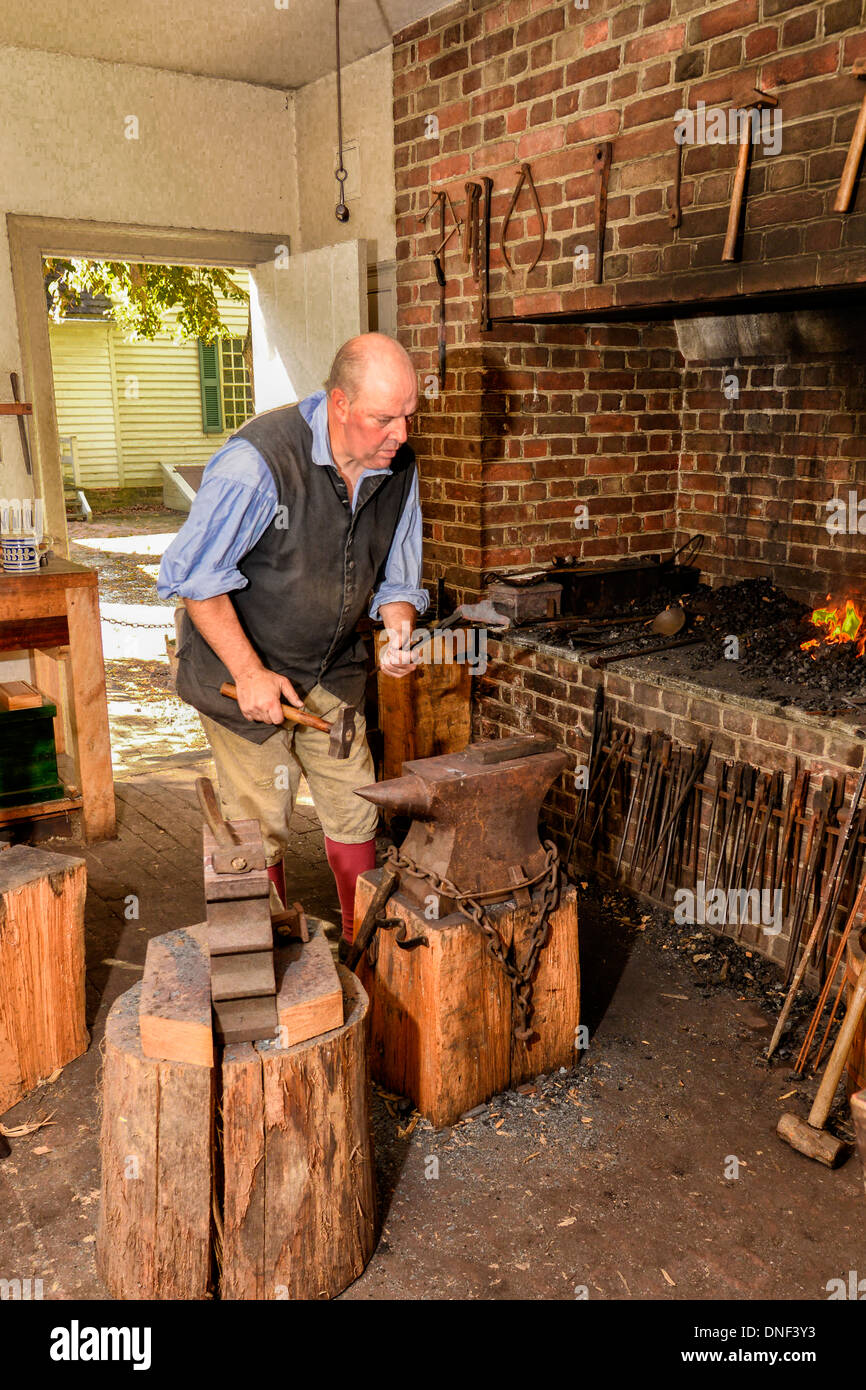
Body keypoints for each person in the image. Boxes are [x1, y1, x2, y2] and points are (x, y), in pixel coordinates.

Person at [157, 332, 427, 955]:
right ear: (338, 404)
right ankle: (269, 960)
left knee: (356, 806)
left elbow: (399, 575)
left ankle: (365, 956)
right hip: (241, 671)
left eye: (408, 415)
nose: (401, 434)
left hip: (332, 671)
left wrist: (398, 627)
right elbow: (195, 578)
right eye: (384, 418)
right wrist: (250, 673)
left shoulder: (398, 468)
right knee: (259, 824)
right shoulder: (258, 462)